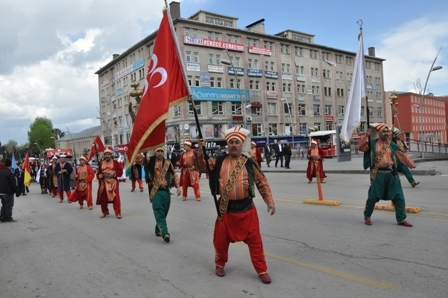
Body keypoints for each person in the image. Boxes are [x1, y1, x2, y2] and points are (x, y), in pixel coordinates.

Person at [197, 126, 275, 284]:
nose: (233, 145)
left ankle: (261, 270)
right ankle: (220, 264)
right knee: (220, 240)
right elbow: (202, 166)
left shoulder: (249, 163)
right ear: (227, 145)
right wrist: (200, 150)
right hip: (225, 210)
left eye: (237, 142)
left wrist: (269, 200)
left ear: (241, 145)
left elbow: (262, 182)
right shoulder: (218, 161)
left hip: (247, 211)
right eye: (231, 142)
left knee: (255, 242)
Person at [359, 123, 416, 227]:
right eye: (384, 132)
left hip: (391, 174)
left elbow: (401, 153)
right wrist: (366, 136)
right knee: (372, 197)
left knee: (399, 197)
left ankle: (401, 219)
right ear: (379, 133)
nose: (386, 133)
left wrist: (409, 162)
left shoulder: (391, 144)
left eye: (387, 131)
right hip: (378, 174)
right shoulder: (372, 144)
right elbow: (361, 148)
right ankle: (367, 216)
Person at [144, 145, 181, 243]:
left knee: (164, 212)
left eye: (161, 151)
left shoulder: (167, 163)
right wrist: (142, 150)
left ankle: (158, 229)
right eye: (158, 151)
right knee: (159, 211)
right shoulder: (150, 161)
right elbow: (139, 160)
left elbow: (174, 175)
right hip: (155, 191)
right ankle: (165, 233)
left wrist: (178, 187)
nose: (160, 153)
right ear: (155, 152)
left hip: (166, 191)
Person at [96, 147, 123, 218]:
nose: (107, 155)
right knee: (103, 198)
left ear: (111, 155)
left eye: (108, 154)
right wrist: (99, 175)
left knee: (116, 198)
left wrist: (114, 173)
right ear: (104, 155)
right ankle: (105, 211)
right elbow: (98, 173)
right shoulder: (101, 163)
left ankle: (118, 212)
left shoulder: (116, 163)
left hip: (113, 182)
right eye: (106, 154)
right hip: (103, 182)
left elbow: (120, 172)